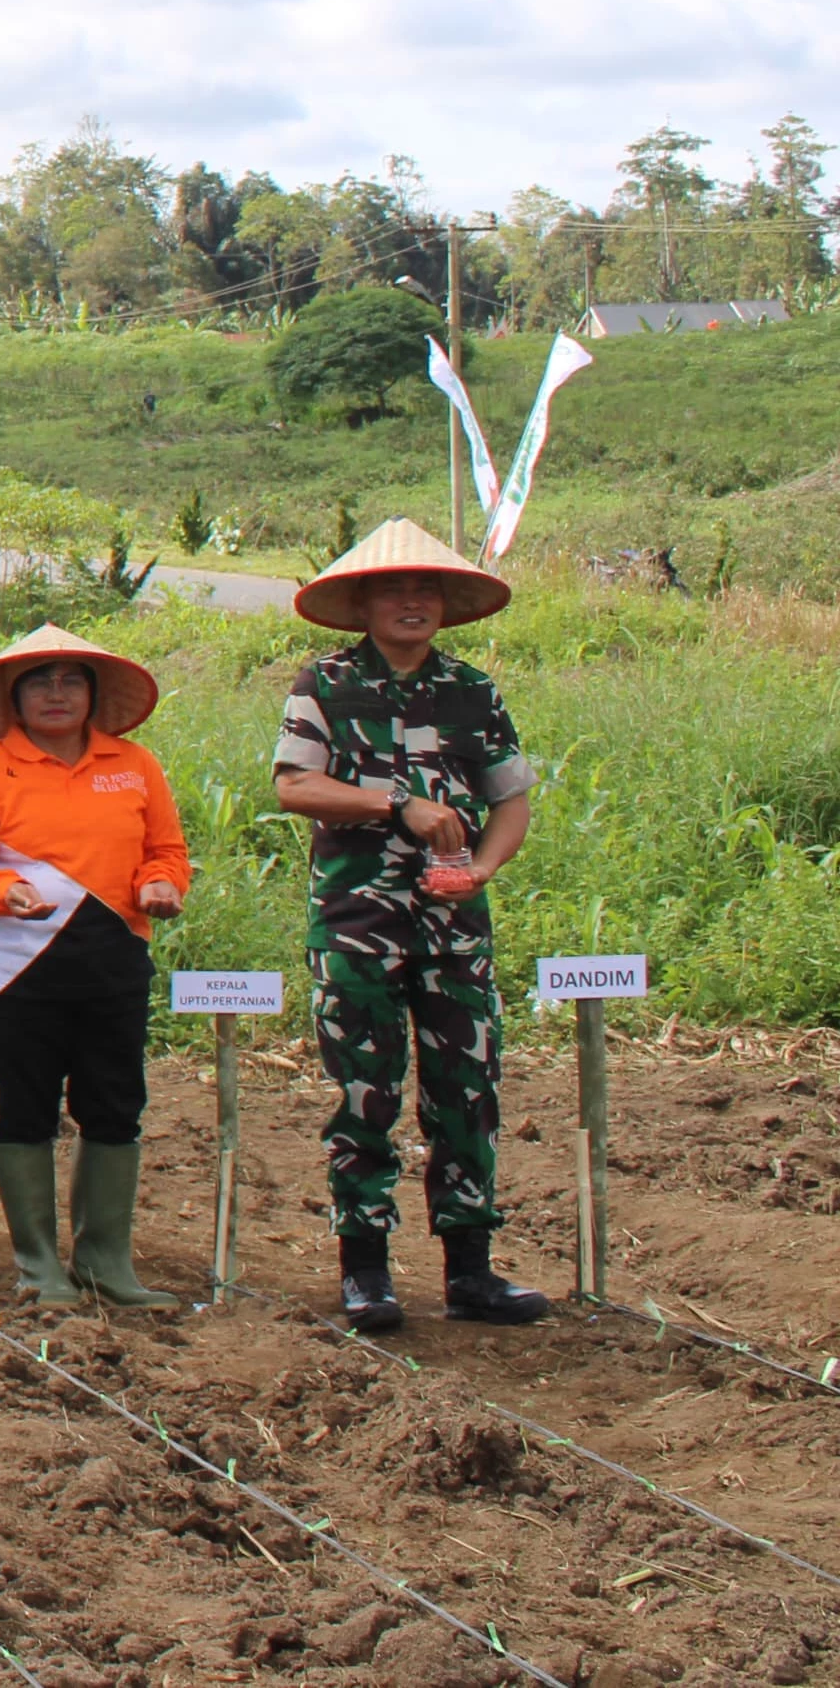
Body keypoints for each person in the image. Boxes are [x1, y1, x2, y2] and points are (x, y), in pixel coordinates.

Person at [270, 518, 553, 1330]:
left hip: (454, 929)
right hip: (358, 923)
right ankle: (366, 1269)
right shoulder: (322, 681)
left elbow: (511, 795)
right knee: (365, 1093)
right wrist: (397, 803)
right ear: (362, 602)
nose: (411, 602)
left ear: (444, 604)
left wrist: (485, 869)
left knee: (468, 1091)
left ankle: (472, 1269)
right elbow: (295, 786)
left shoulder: (473, 689)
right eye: (393, 588)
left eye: (424, 589)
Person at [0, 624, 190, 1306]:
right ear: (13, 698)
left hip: (114, 964)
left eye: (70, 679)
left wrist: (162, 885)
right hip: (21, 970)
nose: (56, 693)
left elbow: (166, 850)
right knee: (26, 1107)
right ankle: (40, 1266)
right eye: (40, 681)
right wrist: (0, 890)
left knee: (114, 1105)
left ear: (93, 692)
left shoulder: (135, 764)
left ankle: (107, 1261)